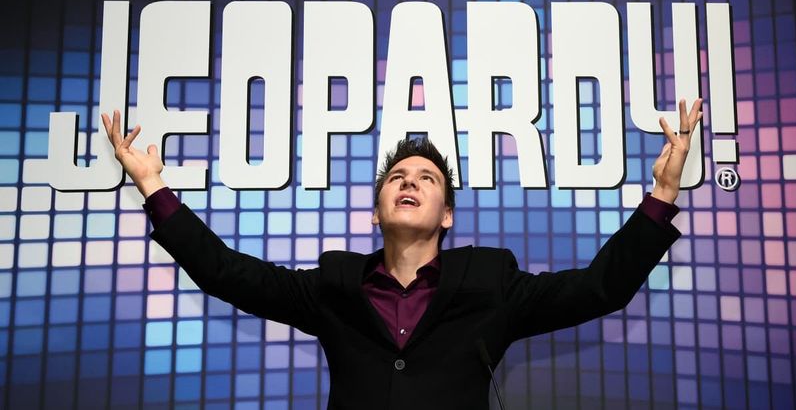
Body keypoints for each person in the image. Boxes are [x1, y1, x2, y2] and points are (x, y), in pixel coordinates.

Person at [102, 98, 702, 409]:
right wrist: (153, 186)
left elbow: (600, 287)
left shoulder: (491, 282)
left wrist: (663, 195)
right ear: (375, 211)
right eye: (397, 177)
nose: (409, 181)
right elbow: (226, 273)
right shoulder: (333, 285)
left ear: (447, 215)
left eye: (426, 178)